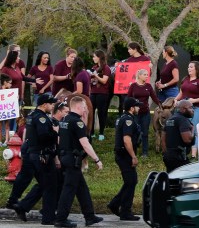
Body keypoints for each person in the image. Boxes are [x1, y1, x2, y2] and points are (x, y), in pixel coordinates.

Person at [55, 95, 104, 228]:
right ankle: (60, 219)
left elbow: (59, 139)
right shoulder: (77, 122)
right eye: (84, 107)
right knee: (69, 190)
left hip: (65, 157)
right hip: (72, 159)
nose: (85, 109)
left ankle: (90, 216)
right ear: (78, 106)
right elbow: (85, 143)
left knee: (82, 189)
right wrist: (96, 159)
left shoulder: (64, 119)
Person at [11, 94, 58, 224]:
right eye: (51, 103)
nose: (53, 105)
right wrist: (55, 132)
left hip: (33, 154)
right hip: (41, 155)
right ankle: (48, 218)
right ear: (44, 104)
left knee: (44, 184)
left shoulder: (32, 115)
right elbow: (43, 136)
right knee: (50, 186)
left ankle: (22, 206)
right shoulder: (41, 118)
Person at [107, 97, 142, 221]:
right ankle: (125, 211)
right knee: (131, 181)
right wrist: (133, 156)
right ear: (132, 108)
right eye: (137, 106)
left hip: (121, 154)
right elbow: (127, 140)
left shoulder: (122, 118)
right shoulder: (128, 120)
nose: (139, 108)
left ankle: (115, 205)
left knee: (131, 181)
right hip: (125, 155)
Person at [126, 69, 160, 157]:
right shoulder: (133, 86)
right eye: (144, 74)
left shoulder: (148, 86)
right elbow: (128, 98)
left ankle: (145, 152)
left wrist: (161, 105)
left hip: (145, 113)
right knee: (136, 133)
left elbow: (154, 97)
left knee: (145, 133)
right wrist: (127, 110)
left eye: (147, 74)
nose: (146, 76)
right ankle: (134, 151)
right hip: (135, 114)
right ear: (139, 76)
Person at [162, 100, 195, 172]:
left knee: (171, 179)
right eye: (191, 108)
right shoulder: (183, 120)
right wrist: (193, 129)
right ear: (183, 109)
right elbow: (187, 139)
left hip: (169, 156)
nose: (193, 110)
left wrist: (166, 153)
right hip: (179, 157)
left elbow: (163, 136)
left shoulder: (170, 119)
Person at [121, 42, 152, 115]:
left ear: (135, 49)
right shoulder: (129, 60)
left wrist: (150, 68)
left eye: (129, 49)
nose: (128, 51)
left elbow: (149, 74)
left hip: (142, 87)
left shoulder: (145, 59)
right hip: (131, 88)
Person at [175, 61, 199, 128]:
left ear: (197, 69)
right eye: (188, 67)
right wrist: (175, 99)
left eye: (191, 67)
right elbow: (181, 93)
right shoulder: (185, 79)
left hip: (196, 108)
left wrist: (194, 100)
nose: (189, 68)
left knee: (193, 129)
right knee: (182, 128)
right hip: (183, 108)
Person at [90, 50, 111, 141]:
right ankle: (92, 132)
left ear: (99, 57)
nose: (93, 58)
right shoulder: (94, 67)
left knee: (101, 113)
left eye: (94, 56)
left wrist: (96, 76)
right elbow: (92, 81)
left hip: (102, 93)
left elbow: (104, 81)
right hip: (93, 92)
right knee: (91, 112)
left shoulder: (106, 68)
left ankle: (101, 133)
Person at [0, 74, 14, 145]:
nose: (11, 85)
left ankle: (6, 141)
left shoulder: (11, 92)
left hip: (7, 111)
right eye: (10, 83)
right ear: (5, 82)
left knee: (7, 126)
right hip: (1, 111)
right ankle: (0, 141)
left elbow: (12, 100)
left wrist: (15, 97)